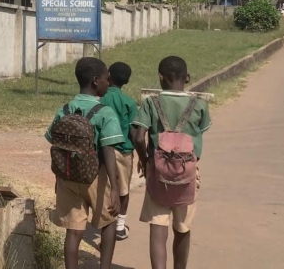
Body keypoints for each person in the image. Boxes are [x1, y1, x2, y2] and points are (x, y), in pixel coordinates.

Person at [131, 56, 212, 269]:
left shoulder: (151, 103)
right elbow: (201, 130)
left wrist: (145, 161)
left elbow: (138, 138)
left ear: (160, 78)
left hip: (158, 172)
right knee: (183, 228)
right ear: (188, 77)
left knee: (158, 228)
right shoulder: (199, 105)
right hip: (187, 173)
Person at [46, 57, 125, 269]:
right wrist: (114, 188)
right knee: (108, 222)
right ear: (96, 81)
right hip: (96, 178)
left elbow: (55, 143)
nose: (109, 82)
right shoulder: (105, 112)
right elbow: (108, 150)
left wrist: (58, 178)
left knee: (73, 231)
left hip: (68, 177)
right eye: (107, 78)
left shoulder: (64, 110)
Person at [101, 61, 138, 241]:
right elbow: (133, 132)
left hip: (103, 150)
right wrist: (143, 156)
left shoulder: (100, 98)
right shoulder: (129, 103)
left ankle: (104, 222)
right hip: (123, 151)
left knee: (105, 188)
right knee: (123, 190)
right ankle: (120, 226)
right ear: (127, 81)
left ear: (108, 76)